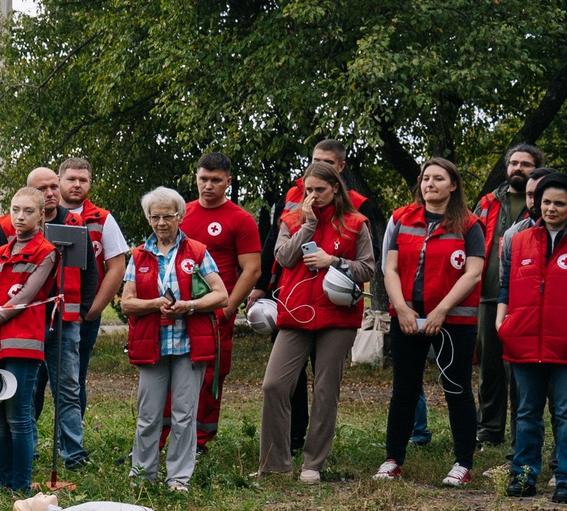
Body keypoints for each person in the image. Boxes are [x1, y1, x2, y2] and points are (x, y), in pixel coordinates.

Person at [258, 162, 374, 483]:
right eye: (308, 190)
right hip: (295, 312)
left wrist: (333, 261)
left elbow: (368, 268)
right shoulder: (291, 219)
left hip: (337, 316)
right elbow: (283, 258)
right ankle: (275, 464)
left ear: (336, 188)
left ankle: (313, 464)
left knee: (325, 391)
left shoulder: (356, 223)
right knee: (274, 385)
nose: (313, 196)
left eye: (320, 190)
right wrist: (307, 226)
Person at [374, 158, 487, 486]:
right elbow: (390, 268)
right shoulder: (401, 218)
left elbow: (473, 273)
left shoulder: (470, 224)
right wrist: (402, 308)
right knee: (404, 390)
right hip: (407, 318)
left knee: (457, 388)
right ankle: (392, 460)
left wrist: (441, 310)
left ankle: (463, 463)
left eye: (438, 178)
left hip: (454, 321)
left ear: (453, 185)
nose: (430, 184)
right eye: (426, 179)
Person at [495, 171, 567, 503]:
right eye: (546, 202)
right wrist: (502, 322)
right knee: (527, 412)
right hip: (523, 340)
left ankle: (566, 480)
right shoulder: (518, 241)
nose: (551, 208)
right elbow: (505, 286)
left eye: (559, 203)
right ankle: (524, 476)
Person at [120, 188, 227, 492]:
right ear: (148, 218)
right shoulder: (139, 255)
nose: (161, 223)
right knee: (148, 415)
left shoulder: (197, 252)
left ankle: (178, 479)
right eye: (155, 217)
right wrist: (155, 304)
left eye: (168, 216)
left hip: (189, 345)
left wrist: (189, 306)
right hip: (152, 344)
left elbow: (221, 295)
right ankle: (142, 476)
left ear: (180, 216)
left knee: (184, 416)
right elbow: (127, 303)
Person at [0, 188, 61, 493]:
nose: (20, 217)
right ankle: (4, 484)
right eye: (15, 210)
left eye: (28, 211)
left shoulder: (47, 251)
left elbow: (23, 298)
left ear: (41, 215)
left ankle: (21, 487)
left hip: (22, 345)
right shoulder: (2, 251)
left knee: (18, 416)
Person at [51, 156, 130, 469]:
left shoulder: (102, 219)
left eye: (83, 180)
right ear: (59, 180)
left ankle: (69, 445)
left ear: (90, 183)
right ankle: (30, 446)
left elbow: (117, 266)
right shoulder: (43, 213)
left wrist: (93, 310)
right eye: (71, 179)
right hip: (42, 315)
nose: (77, 185)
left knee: (74, 380)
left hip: (81, 315)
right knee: (35, 382)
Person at [181, 152, 262, 453]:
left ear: (228, 181)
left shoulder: (240, 219)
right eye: (203, 179)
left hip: (216, 314)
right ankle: (168, 437)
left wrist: (227, 310)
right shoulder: (181, 213)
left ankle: (200, 441)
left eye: (216, 180)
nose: (208, 185)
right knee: (173, 374)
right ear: (196, 178)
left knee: (210, 376)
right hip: (180, 311)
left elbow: (252, 270)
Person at [16, 166, 90, 459]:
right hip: (25, 322)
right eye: (41, 189)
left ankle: (73, 452)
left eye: (53, 187)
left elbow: (90, 272)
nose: (49, 193)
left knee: (68, 389)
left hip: (64, 322)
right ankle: (28, 450)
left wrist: (83, 311)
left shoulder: (74, 223)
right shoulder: (10, 226)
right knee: (27, 388)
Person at [475, 143, 545, 447]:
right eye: (514, 163)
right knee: (489, 369)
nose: (518, 168)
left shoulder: (543, 205)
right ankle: (488, 431)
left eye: (526, 164)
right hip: (487, 297)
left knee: (520, 371)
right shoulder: (489, 202)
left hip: (524, 301)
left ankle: (523, 432)